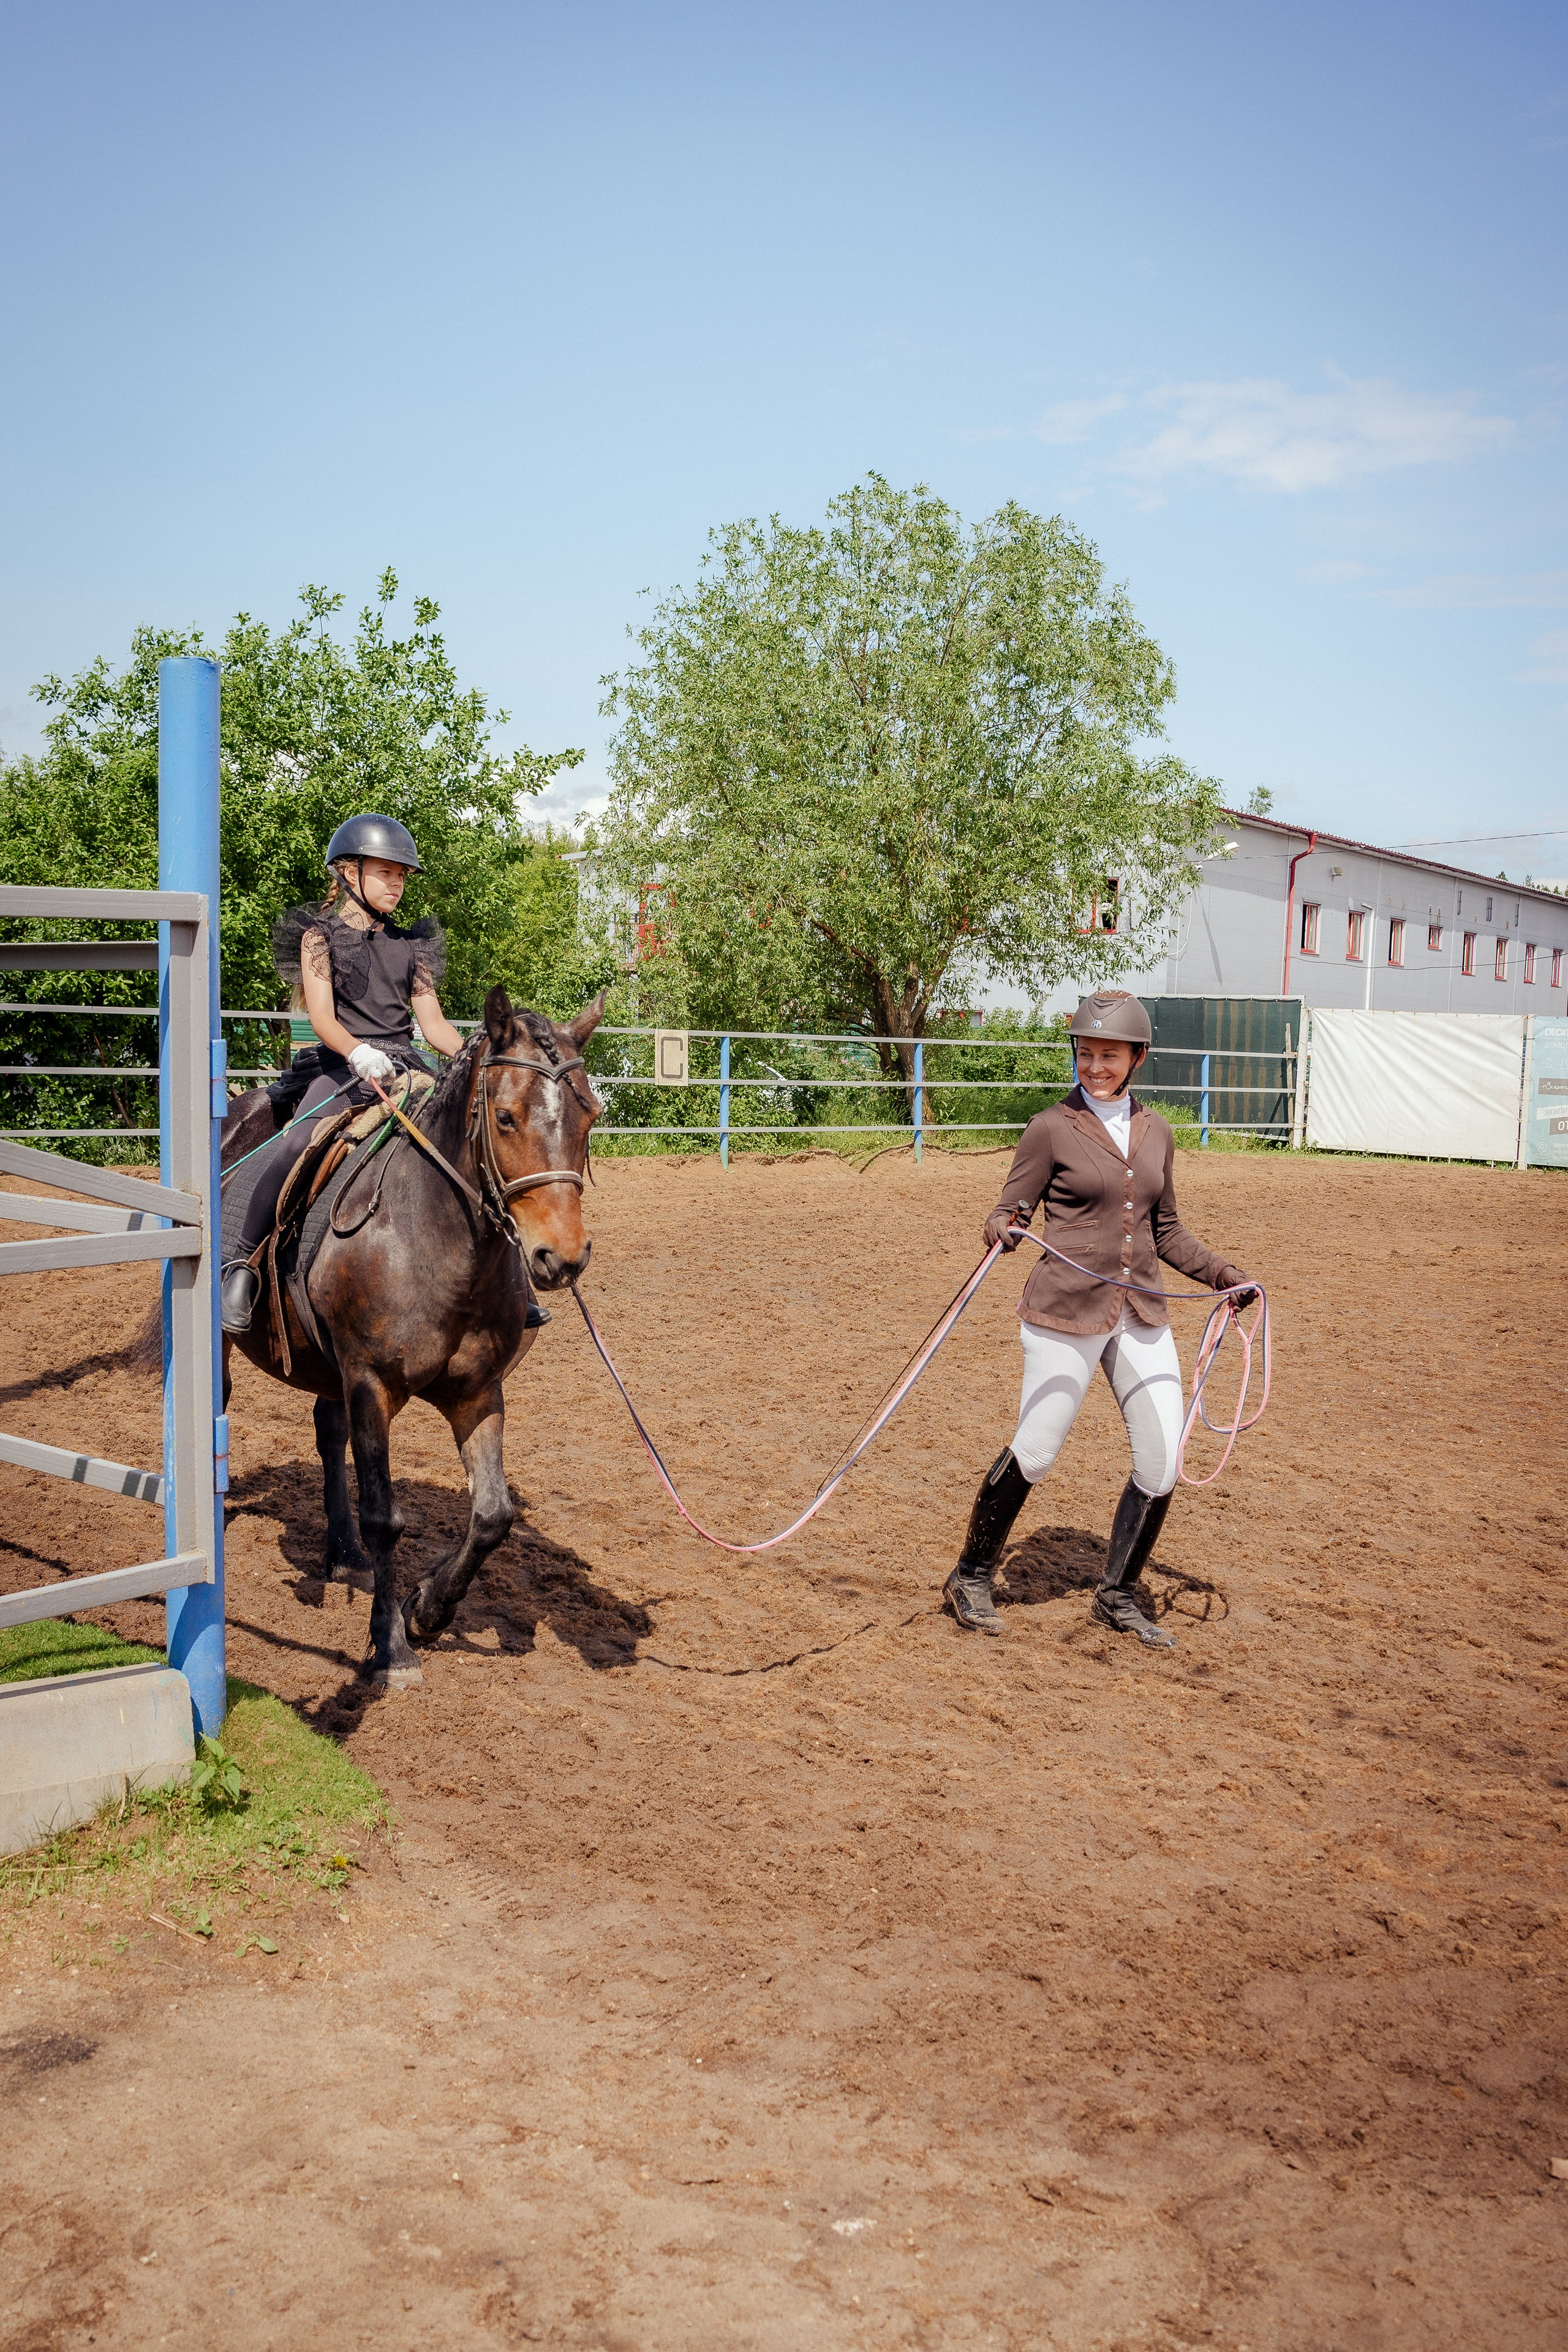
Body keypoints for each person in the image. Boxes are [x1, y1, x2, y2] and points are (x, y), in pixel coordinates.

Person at [943, 990, 1257, 1649]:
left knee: (1161, 1462)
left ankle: (1115, 1595)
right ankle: (970, 1575)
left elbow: (1165, 1231)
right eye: (1085, 1054)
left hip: (1140, 1308)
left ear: (1137, 1057)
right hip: (1065, 1308)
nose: (1094, 1066)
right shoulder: (1049, 1127)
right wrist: (1003, 1229)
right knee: (1037, 1448)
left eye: (1108, 1055)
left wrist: (1224, 1275)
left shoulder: (1157, 1132)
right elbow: (1007, 1209)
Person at [221, 813, 503, 1334]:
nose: (398, 884)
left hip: (406, 1064)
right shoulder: (319, 939)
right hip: (343, 1066)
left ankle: (502, 1279)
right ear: (350, 873)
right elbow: (323, 1019)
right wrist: (356, 1052)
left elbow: (434, 1025)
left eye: (402, 876)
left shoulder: (410, 946)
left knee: (469, 1145)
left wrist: (478, 1057)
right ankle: (241, 1264)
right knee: (299, 1141)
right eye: (387, 872)